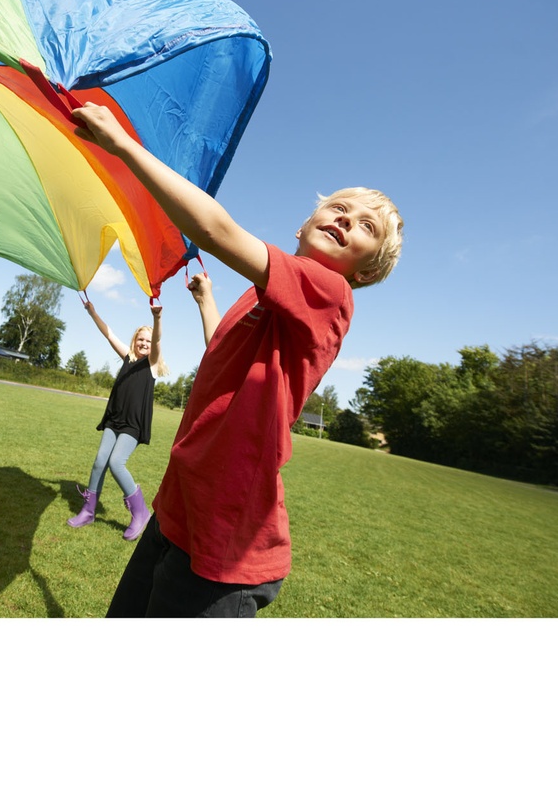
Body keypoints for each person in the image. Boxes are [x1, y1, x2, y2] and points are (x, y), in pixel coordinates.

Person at [72, 100, 403, 618]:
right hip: (180, 508)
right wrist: (207, 303)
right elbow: (222, 362)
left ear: (363, 271)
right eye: (339, 207)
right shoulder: (265, 296)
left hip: (226, 542)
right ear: (303, 223)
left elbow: (216, 231)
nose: (345, 220)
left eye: (366, 227)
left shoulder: (330, 290)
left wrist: (124, 147)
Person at [67, 299, 169, 540]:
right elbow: (108, 333)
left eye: (147, 340)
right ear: (134, 341)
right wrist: (92, 312)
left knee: (116, 463)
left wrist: (157, 318)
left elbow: (157, 341)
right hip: (114, 419)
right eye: (140, 339)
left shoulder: (152, 363)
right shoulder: (128, 357)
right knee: (100, 461)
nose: (144, 343)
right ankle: (89, 511)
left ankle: (140, 512)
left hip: (133, 424)